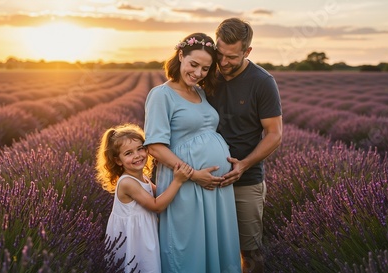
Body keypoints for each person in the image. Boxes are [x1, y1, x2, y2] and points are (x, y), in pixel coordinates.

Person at [144, 33, 241, 273]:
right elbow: (155, 146)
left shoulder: (199, 92)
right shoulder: (161, 95)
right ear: (180, 56)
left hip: (215, 188)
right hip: (186, 183)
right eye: (194, 64)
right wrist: (194, 174)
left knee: (215, 244)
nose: (198, 73)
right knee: (187, 246)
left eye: (206, 69)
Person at [208, 18, 283, 273]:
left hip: (246, 180)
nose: (223, 62)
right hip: (204, 179)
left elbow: (274, 134)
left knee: (250, 253)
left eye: (232, 57)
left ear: (247, 51)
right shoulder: (207, 74)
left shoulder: (262, 82)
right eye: (220, 54)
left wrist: (243, 165)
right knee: (208, 246)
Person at [96, 123, 194, 273]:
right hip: (133, 238)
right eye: (128, 153)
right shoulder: (128, 183)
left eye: (140, 149)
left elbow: (159, 193)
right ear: (118, 160)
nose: (137, 155)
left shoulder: (144, 178)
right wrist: (177, 181)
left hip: (143, 232)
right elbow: (156, 206)